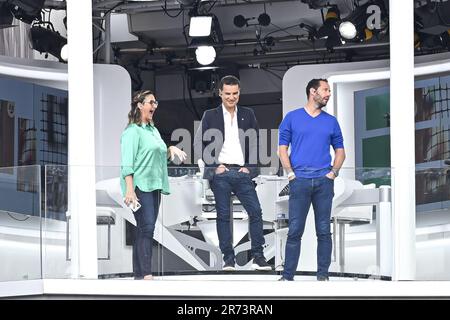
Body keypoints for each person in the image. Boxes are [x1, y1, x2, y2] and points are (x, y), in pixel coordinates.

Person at [194, 75, 271, 271]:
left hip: (242, 172)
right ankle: (229, 259)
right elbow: (197, 144)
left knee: (255, 212)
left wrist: (251, 168)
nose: (231, 97)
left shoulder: (248, 113)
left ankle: (258, 257)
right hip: (221, 172)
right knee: (223, 215)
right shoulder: (210, 115)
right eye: (227, 93)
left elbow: (255, 142)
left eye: (235, 93)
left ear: (239, 93)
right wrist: (213, 166)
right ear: (220, 93)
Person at [278, 78, 345, 281]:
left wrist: (333, 173)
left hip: (324, 182)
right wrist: (290, 174)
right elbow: (282, 149)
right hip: (299, 181)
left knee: (324, 231)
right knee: (295, 230)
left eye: (329, 91)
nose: (328, 94)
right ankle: (288, 277)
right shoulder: (292, 117)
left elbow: (341, 152)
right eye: (325, 90)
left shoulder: (331, 121)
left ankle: (322, 276)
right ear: (312, 91)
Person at [121, 90, 186, 280]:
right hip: (140, 185)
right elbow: (127, 163)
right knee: (147, 227)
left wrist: (170, 149)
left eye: (155, 103)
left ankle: (139, 276)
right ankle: (146, 274)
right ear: (140, 105)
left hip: (155, 184)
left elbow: (158, 155)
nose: (154, 106)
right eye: (151, 102)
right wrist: (130, 189)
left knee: (144, 228)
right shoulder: (132, 131)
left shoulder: (153, 130)